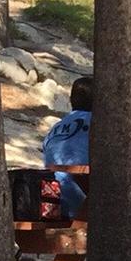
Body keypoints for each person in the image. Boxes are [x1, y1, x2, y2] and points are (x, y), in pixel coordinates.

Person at [41, 76, 94, 221]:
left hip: (54, 199)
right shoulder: (99, 123)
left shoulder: (56, 127)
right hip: (82, 199)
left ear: (71, 100)